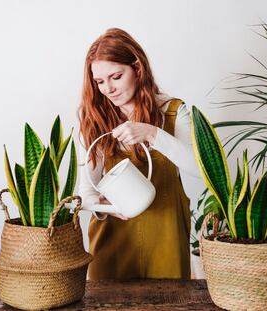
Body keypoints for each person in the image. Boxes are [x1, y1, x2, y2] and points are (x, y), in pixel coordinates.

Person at [78, 28, 200, 280]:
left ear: (137, 68)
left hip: (166, 236)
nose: (108, 89)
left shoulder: (174, 111)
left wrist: (153, 134)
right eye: (100, 82)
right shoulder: (96, 120)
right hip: (112, 239)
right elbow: (86, 193)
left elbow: (200, 169)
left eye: (116, 76)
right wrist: (107, 209)